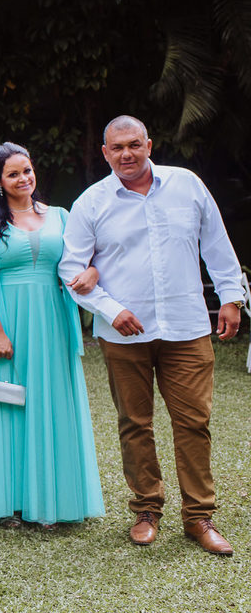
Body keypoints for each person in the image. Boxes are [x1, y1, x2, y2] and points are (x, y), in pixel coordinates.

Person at [59, 115, 244, 556]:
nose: (127, 153)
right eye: (117, 147)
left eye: (134, 144)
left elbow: (216, 245)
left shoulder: (187, 185)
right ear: (105, 153)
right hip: (124, 334)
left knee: (194, 424)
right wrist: (110, 309)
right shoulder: (92, 202)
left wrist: (232, 297)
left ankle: (199, 517)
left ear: (149, 145)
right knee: (134, 424)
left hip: (186, 327)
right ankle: (146, 511)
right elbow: (71, 268)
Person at [0, 142, 105, 527]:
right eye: (13, 174)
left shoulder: (60, 215)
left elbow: (84, 260)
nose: (23, 178)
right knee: (7, 404)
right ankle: (7, 502)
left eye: (27, 170)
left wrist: (92, 273)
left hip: (51, 321)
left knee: (50, 402)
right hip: (4, 321)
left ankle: (52, 499)